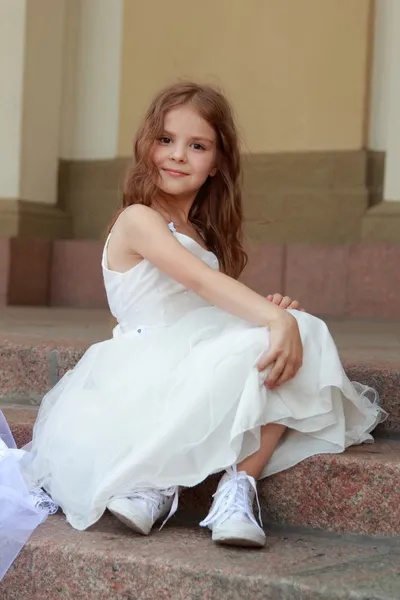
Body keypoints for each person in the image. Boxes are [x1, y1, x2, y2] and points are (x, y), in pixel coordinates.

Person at [21, 81, 383, 549]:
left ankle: (233, 488)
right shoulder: (138, 218)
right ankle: (157, 480)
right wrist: (276, 322)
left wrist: (271, 315)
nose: (177, 155)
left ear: (216, 165)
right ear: (146, 145)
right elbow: (200, 283)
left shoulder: (200, 233)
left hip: (186, 365)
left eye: (197, 146)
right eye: (165, 140)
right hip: (143, 374)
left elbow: (210, 310)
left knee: (295, 334)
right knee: (296, 332)